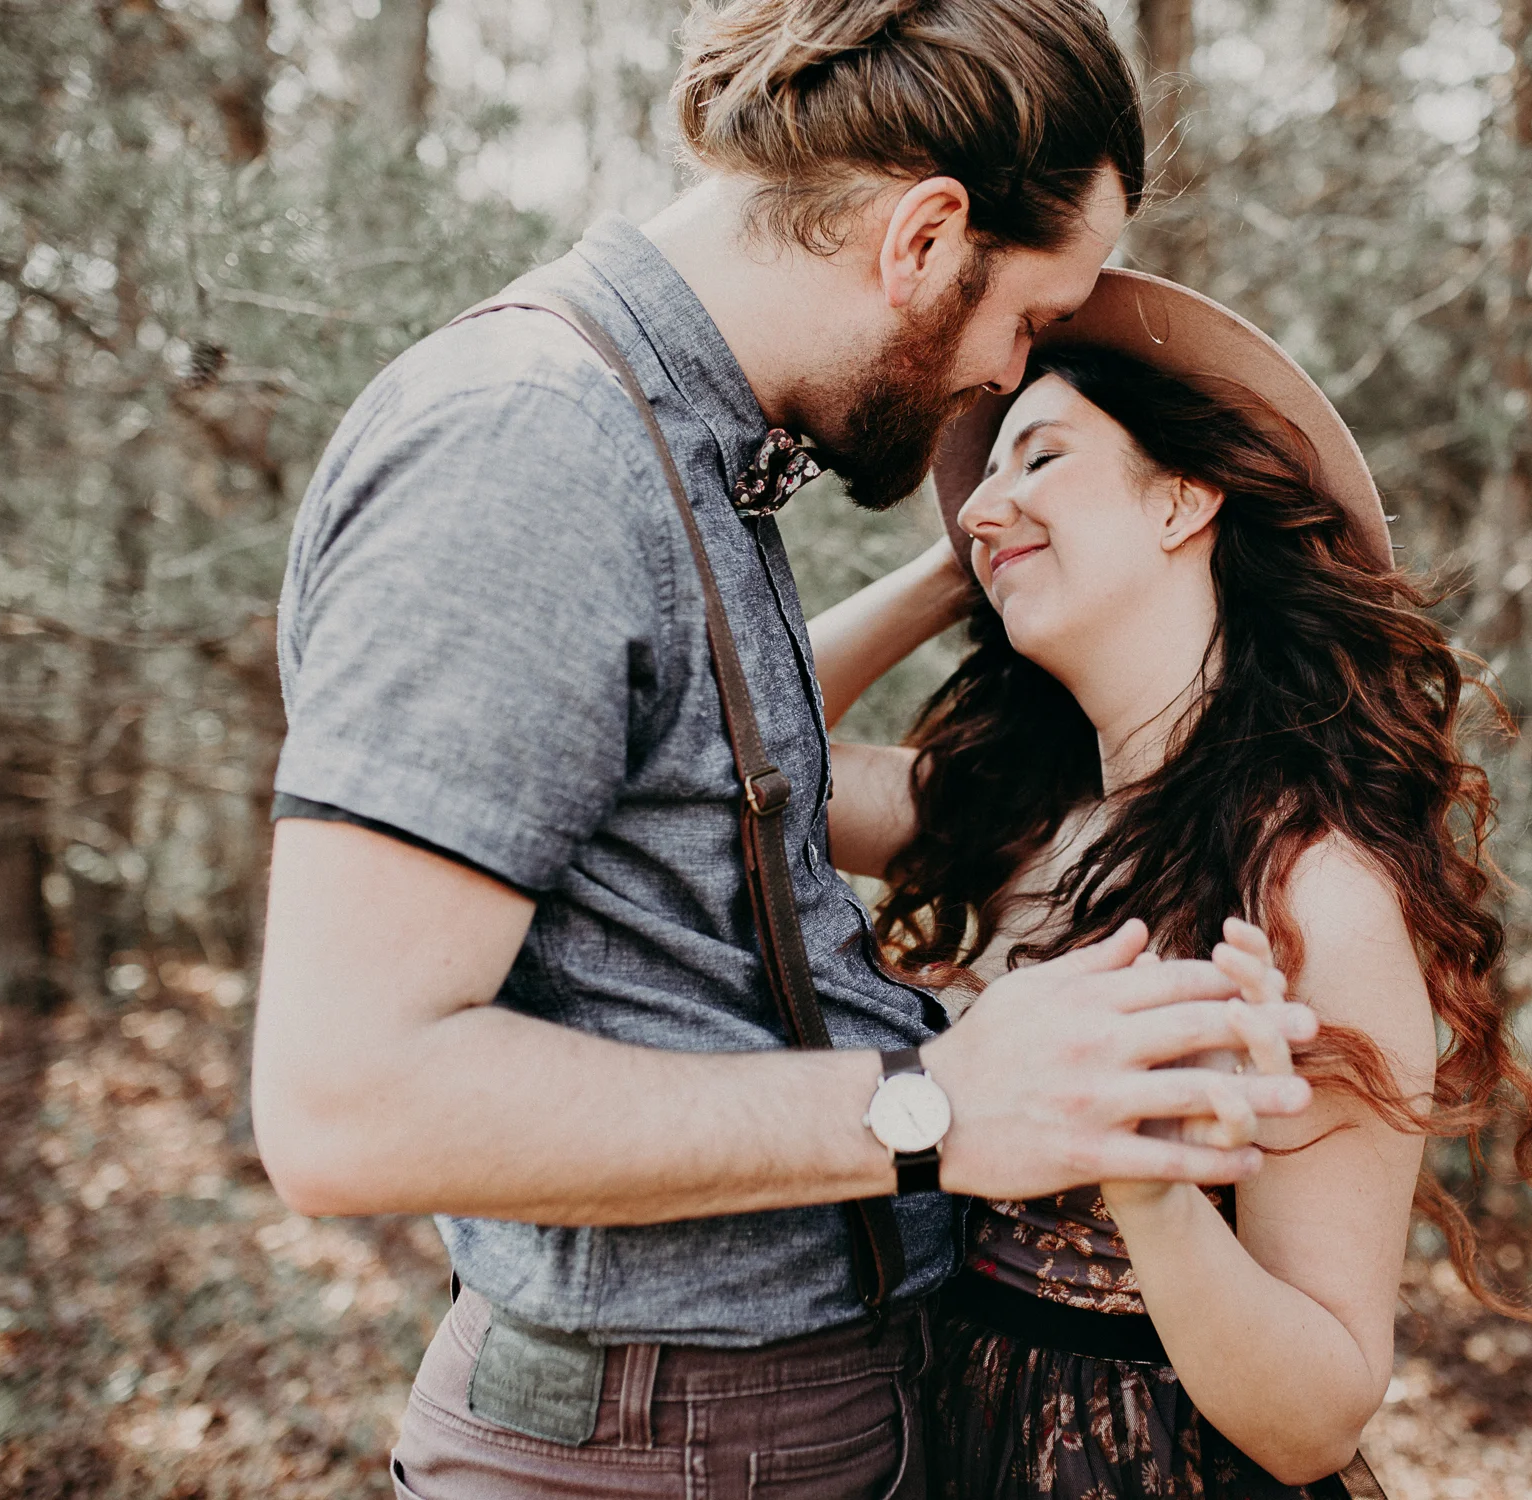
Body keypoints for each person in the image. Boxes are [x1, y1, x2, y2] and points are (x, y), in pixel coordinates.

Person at [249, 4, 1321, 1497]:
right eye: (1027, 319)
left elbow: (706, 760)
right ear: (924, 238)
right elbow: (344, 1103)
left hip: (761, 1424)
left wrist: (968, 570)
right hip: (655, 1446)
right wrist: (937, 1103)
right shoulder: (530, 449)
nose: (1002, 373)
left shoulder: (681, 456)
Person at [809, 271, 1532, 1498]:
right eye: (983, 479)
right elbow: (748, 761)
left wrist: (1151, 1194)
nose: (984, 503)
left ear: (1184, 499)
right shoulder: (1027, 824)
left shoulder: (1311, 891)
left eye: (1043, 455)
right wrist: (967, 558)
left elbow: (1317, 1422)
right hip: (942, 1446)